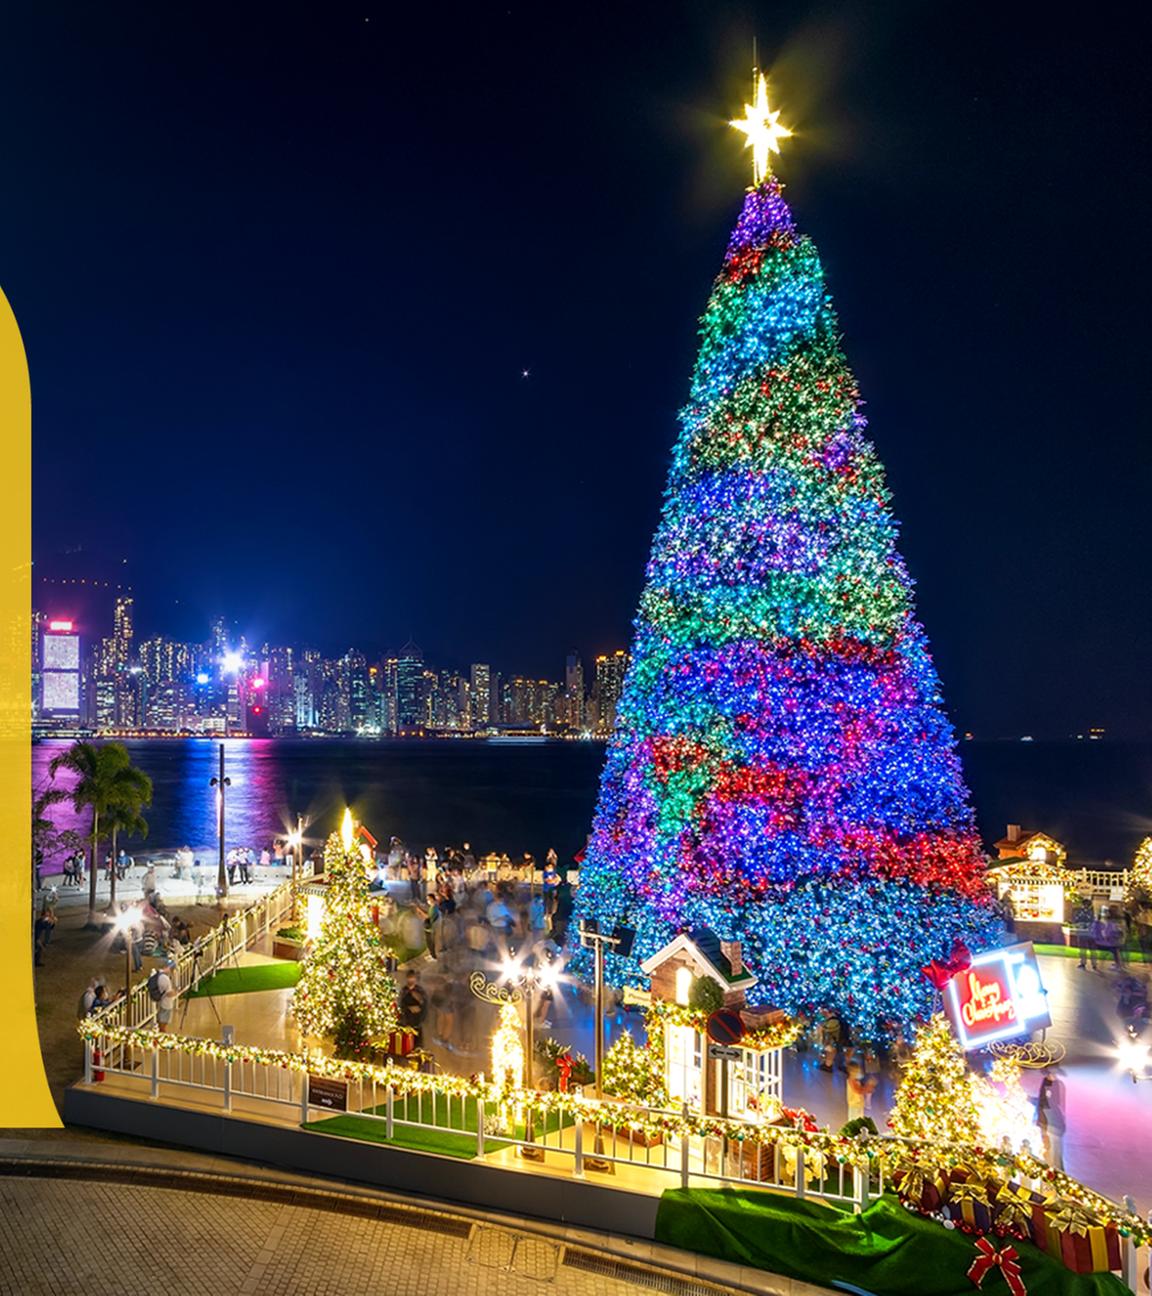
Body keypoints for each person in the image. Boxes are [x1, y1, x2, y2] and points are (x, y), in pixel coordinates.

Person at [1037, 1068, 1067, 1169]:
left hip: (1052, 1124)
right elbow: (1046, 1102)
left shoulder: (1055, 1085)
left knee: (1054, 1151)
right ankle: (1053, 1170)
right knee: (1051, 1151)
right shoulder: (1048, 1085)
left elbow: (1054, 1103)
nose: (1053, 1076)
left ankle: (1055, 1170)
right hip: (1049, 1123)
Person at [399, 971, 428, 1048]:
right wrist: (408, 1008)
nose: (411, 980)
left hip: (417, 1019)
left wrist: (419, 1002)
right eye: (409, 978)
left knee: (417, 1041)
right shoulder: (404, 990)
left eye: (412, 978)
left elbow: (424, 1003)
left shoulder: (420, 990)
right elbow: (401, 1004)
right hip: (407, 1019)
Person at [149, 958, 179, 1031]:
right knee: (163, 1024)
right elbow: (168, 993)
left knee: (161, 1020)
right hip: (166, 1004)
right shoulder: (164, 978)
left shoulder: (159, 975)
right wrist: (176, 992)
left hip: (161, 1003)